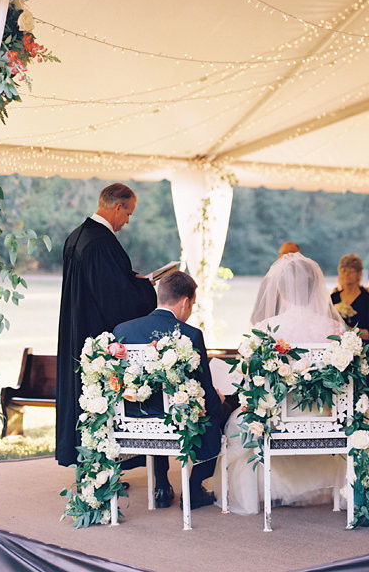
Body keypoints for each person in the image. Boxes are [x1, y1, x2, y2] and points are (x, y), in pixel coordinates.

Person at [214, 253, 369, 518]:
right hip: (328, 418)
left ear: (280, 290)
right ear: (316, 288)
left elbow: (252, 385)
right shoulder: (335, 328)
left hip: (277, 420)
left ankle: (270, 492)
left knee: (240, 424)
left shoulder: (266, 330)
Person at [56, 183, 157, 467]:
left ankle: (88, 464)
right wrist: (146, 288)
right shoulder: (101, 242)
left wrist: (130, 280)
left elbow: (105, 283)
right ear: (118, 206)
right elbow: (117, 298)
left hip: (76, 330)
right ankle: (102, 466)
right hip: (96, 335)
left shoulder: (77, 235)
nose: (127, 221)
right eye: (128, 214)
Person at [114, 270, 225, 509]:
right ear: (185, 302)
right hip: (176, 420)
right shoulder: (191, 334)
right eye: (192, 305)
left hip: (133, 416)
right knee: (215, 411)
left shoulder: (123, 330)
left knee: (159, 402)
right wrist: (219, 401)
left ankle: (162, 485)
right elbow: (204, 387)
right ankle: (193, 489)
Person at [331, 253, 369, 417]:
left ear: (359, 274)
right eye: (343, 270)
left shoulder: (367, 299)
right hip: (338, 356)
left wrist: (350, 331)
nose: (346, 274)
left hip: (362, 356)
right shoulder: (333, 298)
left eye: (351, 271)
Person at [250, 241, 300, 324]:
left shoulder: (308, 277)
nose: (288, 256)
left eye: (292, 253)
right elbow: (260, 311)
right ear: (279, 256)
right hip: (275, 324)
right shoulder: (271, 277)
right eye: (284, 253)